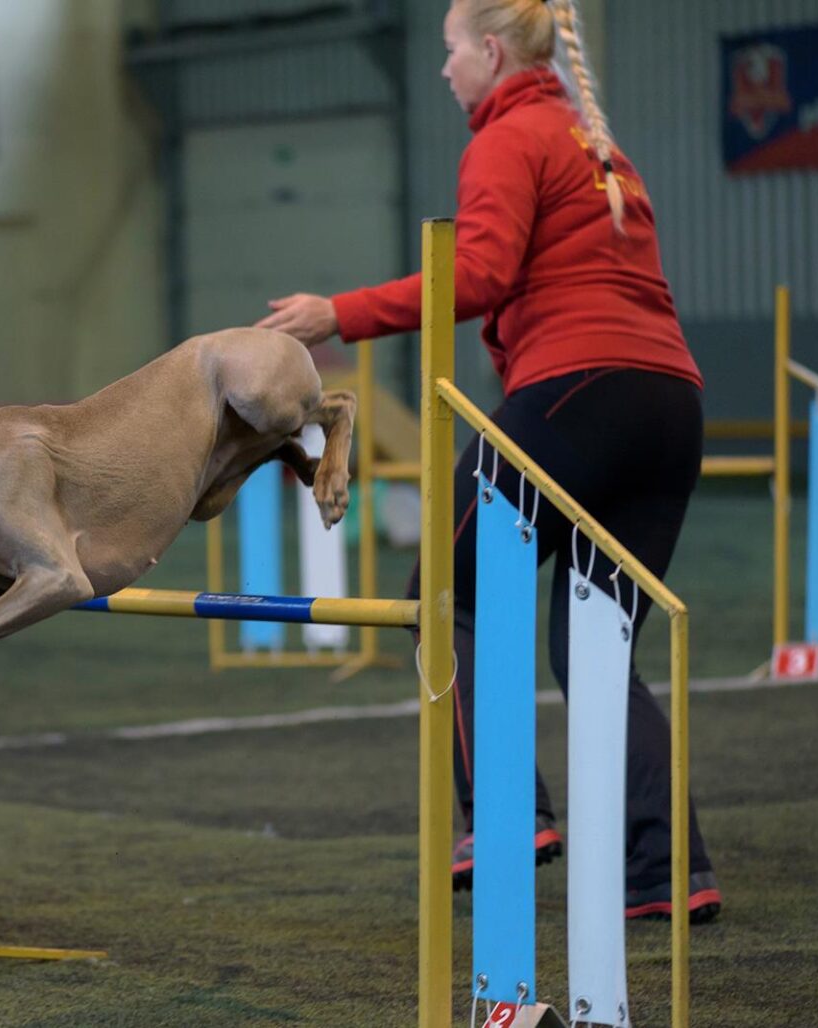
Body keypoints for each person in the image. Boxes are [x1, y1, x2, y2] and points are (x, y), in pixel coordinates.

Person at [254, 0, 720, 922]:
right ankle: (667, 875)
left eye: (451, 50)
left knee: (443, 597)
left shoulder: (510, 137)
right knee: (594, 647)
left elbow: (479, 275)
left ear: (493, 52)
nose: (445, 70)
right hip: (672, 407)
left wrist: (335, 314)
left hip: (579, 392)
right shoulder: (597, 146)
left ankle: (504, 817)